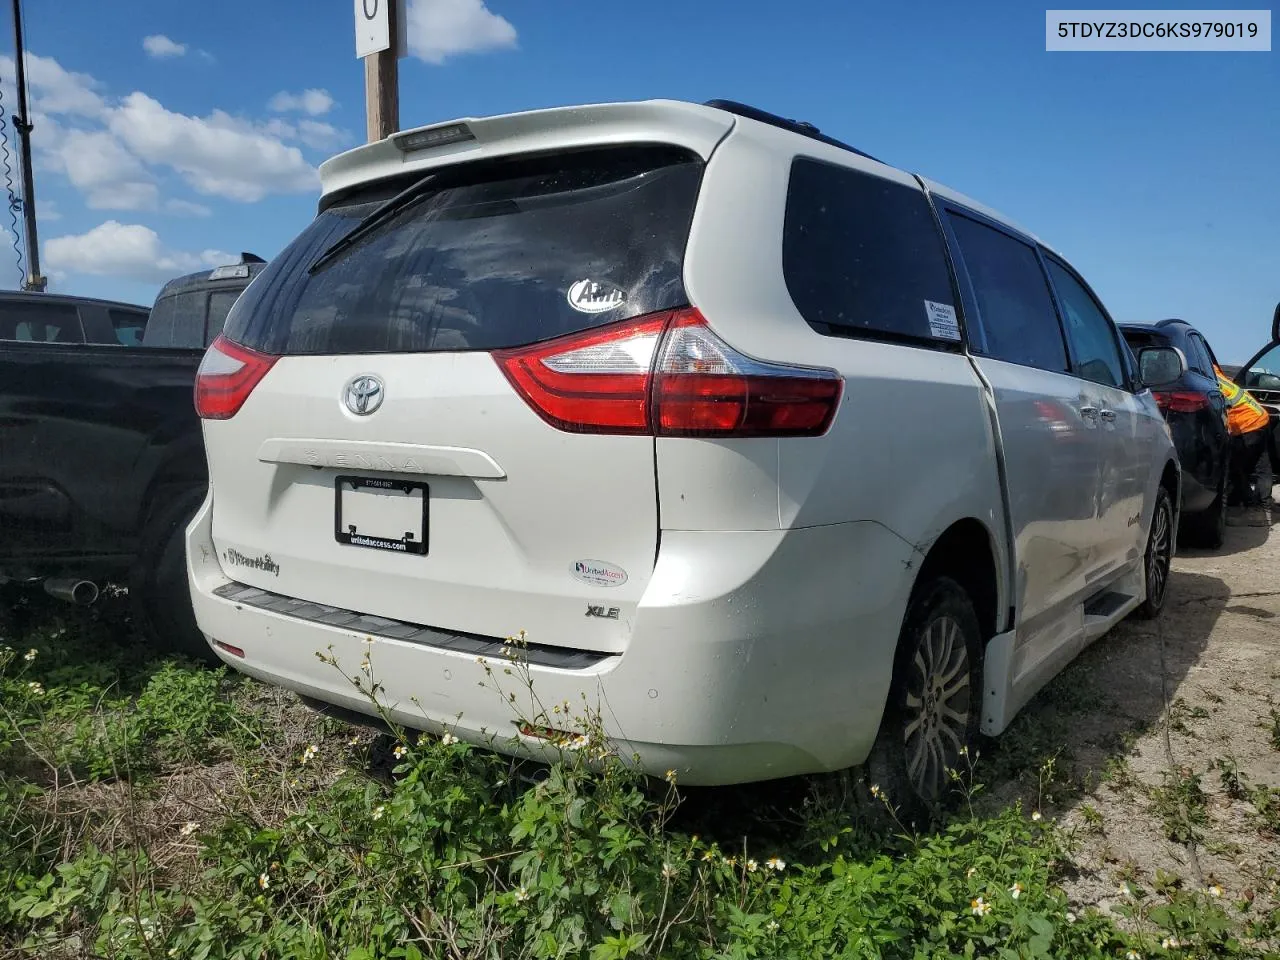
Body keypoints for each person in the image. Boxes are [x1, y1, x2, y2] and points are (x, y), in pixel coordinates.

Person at [1214, 364, 1273, 507]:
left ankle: (1243, 502)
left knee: (1236, 465)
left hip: (1247, 425)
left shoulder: (1212, 384)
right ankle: (1265, 504)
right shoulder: (1218, 375)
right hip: (1261, 418)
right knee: (1262, 465)